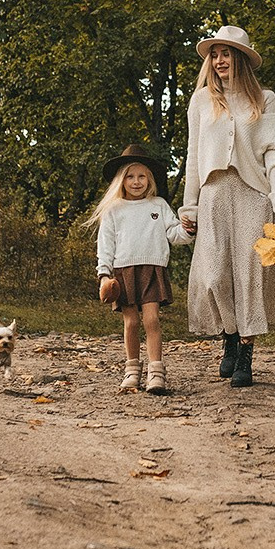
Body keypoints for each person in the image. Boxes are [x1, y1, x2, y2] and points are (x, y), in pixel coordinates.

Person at [178, 25, 275, 388]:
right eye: (214, 54)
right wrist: (190, 205)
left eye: (226, 53)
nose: (219, 60)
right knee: (214, 275)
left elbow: (274, 151)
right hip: (213, 194)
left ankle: (245, 351)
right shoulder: (200, 101)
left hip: (253, 195)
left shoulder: (264, 99)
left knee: (249, 275)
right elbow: (193, 156)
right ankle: (229, 332)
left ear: (240, 58)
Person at [91, 143, 192, 395]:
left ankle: (156, 372)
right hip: (123, 272)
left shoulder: (158, 205)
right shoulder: (114, 210)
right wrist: (104, 274)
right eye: (130, 177)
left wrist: (189, 229)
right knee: (132, 322)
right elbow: (106, 245)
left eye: (142, 176)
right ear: (121, 180)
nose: (136, 182)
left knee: (152, 319)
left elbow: (175, 234)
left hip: (152, 269)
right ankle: (132, 371)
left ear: (150, 179)